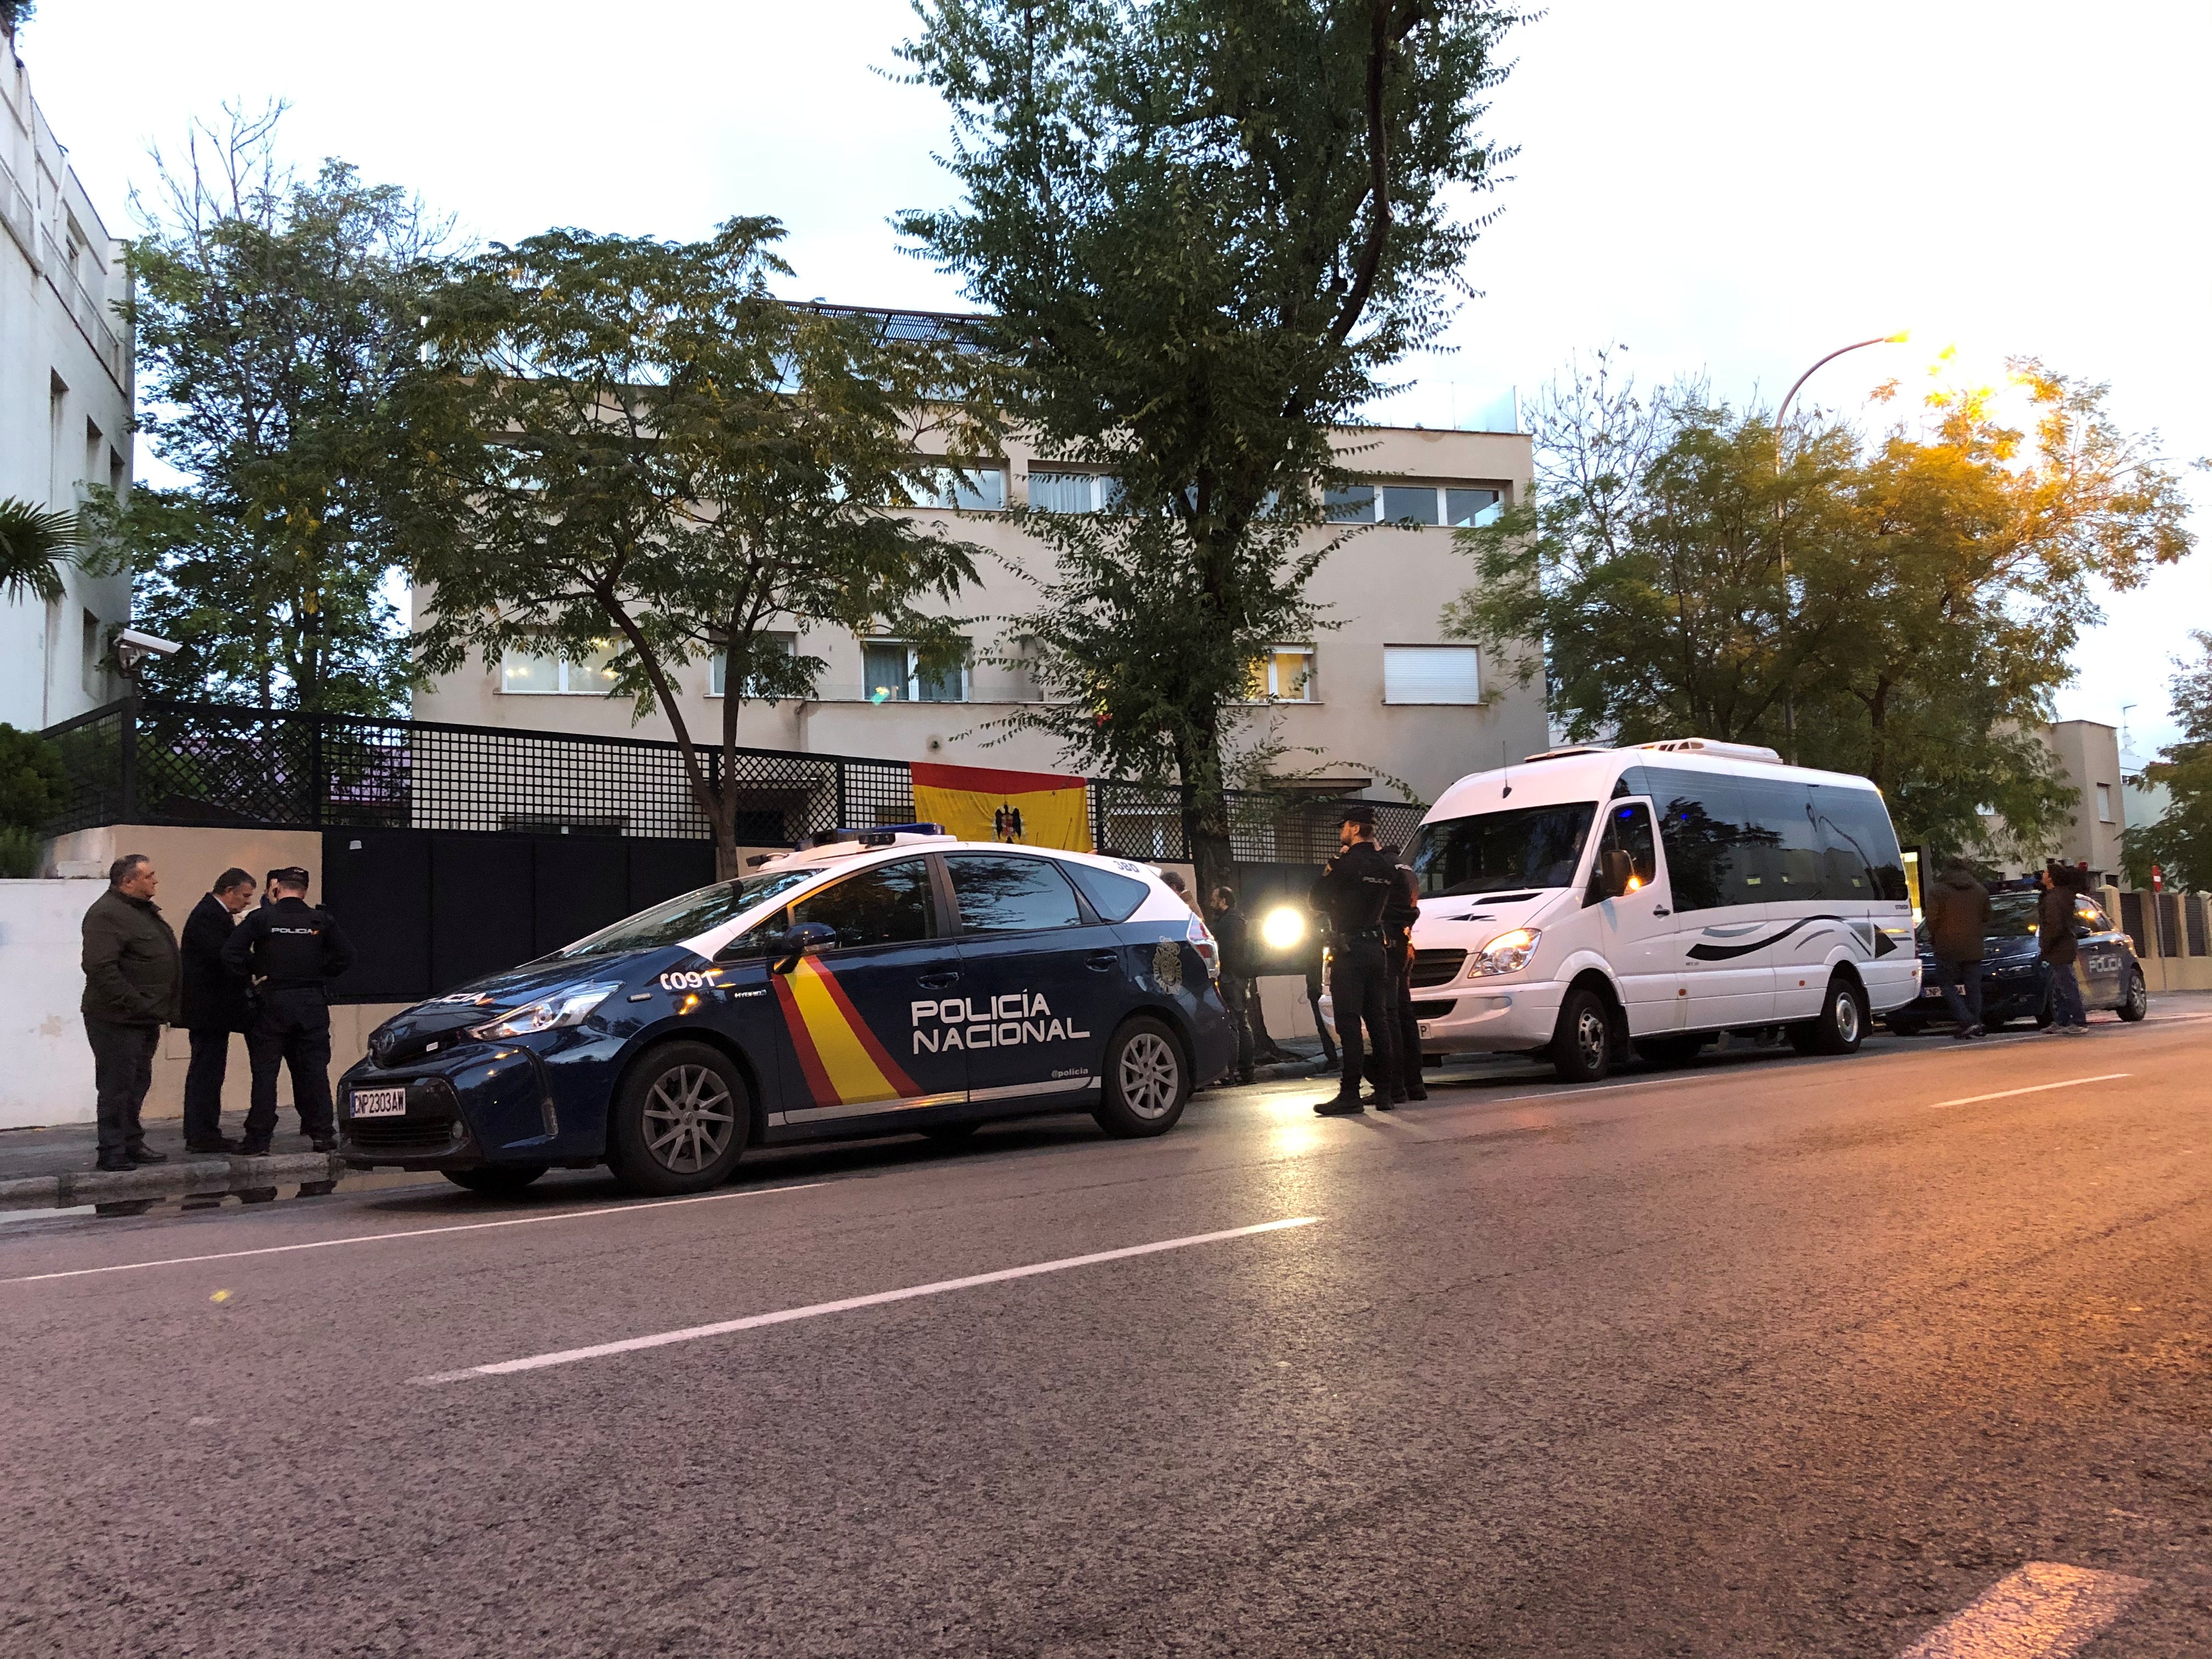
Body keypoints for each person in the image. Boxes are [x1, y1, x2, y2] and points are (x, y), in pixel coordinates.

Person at [221, 866, 357, 1154]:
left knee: (265, 1074)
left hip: (272, 1003)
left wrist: (255, 974)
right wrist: (320, 973)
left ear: (277, 889)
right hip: (311, 1003)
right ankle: (322, 1134)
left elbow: (231, 953)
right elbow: (346, 956)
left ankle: (258, 1138)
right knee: (315, 1071)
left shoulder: (262, 918)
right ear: (304, 891)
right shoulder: (320, 920)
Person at [80, 854, 180, 1172]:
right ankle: (112, 1150)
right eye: (149, 876)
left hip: (144, 1016)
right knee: (116, 1084)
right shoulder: (107, 914)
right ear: (128, 881)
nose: (155, 881)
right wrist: (135, 1002)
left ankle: (131, 1141)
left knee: (138, 1082)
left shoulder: (140, 911)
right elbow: (100, 967)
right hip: (117, 1018)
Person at [1308, 804, 1400, 1114]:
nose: (1341, 832)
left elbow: (1315, 900)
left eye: (1344, 826)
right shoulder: (1387, 866)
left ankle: (1350, 1094)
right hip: (1377, 949)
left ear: (1356, 828)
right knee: (1379, 1021)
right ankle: (1386, 1092)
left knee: (1349, 1023)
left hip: (1349, 950)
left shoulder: (1343, 865)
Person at [177, 867, 257, 1153]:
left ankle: (206, 1131)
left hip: (211, 1011)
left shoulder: (214, 914)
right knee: (206, 1072)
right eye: (245, 896)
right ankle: (201, 1134)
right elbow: (225, 955)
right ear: (230, 891)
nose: (247, 902)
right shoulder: (209, 916)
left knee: (210, 1072)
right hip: (207, 1011)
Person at [1375, 844, 1429, 1102]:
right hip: (1404, 944)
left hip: (1388, 945)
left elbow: (1375, 907)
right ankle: (1414, 1084)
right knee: (1405, 1015)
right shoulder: (1406, 867)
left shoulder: (1383, 868)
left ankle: (1394, 1086)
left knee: (1390, 1015)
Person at [1926, 856, 1991, 1040]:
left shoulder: (1938, 891)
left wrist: (1936, 936)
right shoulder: (1980, 890)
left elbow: (1932, 919)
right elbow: (1987, 916)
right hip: (1974, 946)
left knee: (1947, 985)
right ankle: (1975, 1022)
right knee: (1973, 987)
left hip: (1947, 946)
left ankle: (1966, 1021)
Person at [1206, 885, 1257, 1085]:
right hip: (1240, 977)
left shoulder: (1229, 922)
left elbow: (1226, 951)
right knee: (1242, 1023)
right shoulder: (1238, 919)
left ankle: (1231, 1072)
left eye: (1214, 899)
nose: (1212, 903)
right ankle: (1247, 1071)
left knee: (1233, 1024)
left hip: (1230, 977)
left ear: (1223, 901)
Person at [2037, 864, 2088, 1036]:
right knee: (2060, 987)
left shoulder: (2054, 899)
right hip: (2061, 947)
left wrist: (2046, 945)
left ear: (2051, 878)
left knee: (2067, 985)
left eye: (2045, 873)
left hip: (2060, 947)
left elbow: (2054, 925)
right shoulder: (2057, 897)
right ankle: (2062, 1020)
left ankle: (2079, 1021)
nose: (2042, 875)